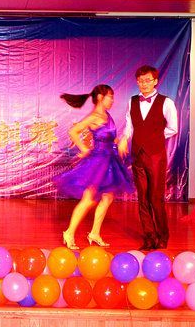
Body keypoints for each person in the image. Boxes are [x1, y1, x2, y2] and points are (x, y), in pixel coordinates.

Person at [55, 85, 135, 249]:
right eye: (110, 97)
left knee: (108, 197)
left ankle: (95, 233)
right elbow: (73, 131)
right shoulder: (94, 117)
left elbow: (110, 139)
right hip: (98, 162)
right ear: (100, 97)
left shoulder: (107, 115)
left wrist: (120, 142)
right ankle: (69, 233)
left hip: (110, 160)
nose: (112, 100)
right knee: (89, 199)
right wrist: (84, 149)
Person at [118, 65, 178, 250]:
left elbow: (173, 128)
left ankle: (162, 236)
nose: (144, 84)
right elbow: (130, 126)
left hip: (156, 156)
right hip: (137, 156)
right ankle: (149, 237)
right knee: (143, 198)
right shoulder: (132, 101)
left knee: (156, 197)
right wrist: (124, 138)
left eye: (147, 80)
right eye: (140, 81)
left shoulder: (166, 102)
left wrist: (154, 138)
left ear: (155, 81)